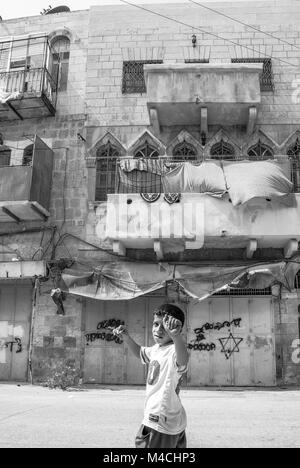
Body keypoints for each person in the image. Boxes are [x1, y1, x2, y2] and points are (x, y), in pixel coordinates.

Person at [113, 303, 189, 448]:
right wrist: (126, 337)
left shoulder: (174, 350)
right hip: (171, 418)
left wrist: (176, 337)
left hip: (160, 419)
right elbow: (140, 352)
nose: (158, 330)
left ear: (175, 328)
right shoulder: (156, 349)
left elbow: (183, 360)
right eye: (155, 324)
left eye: (164, 326)